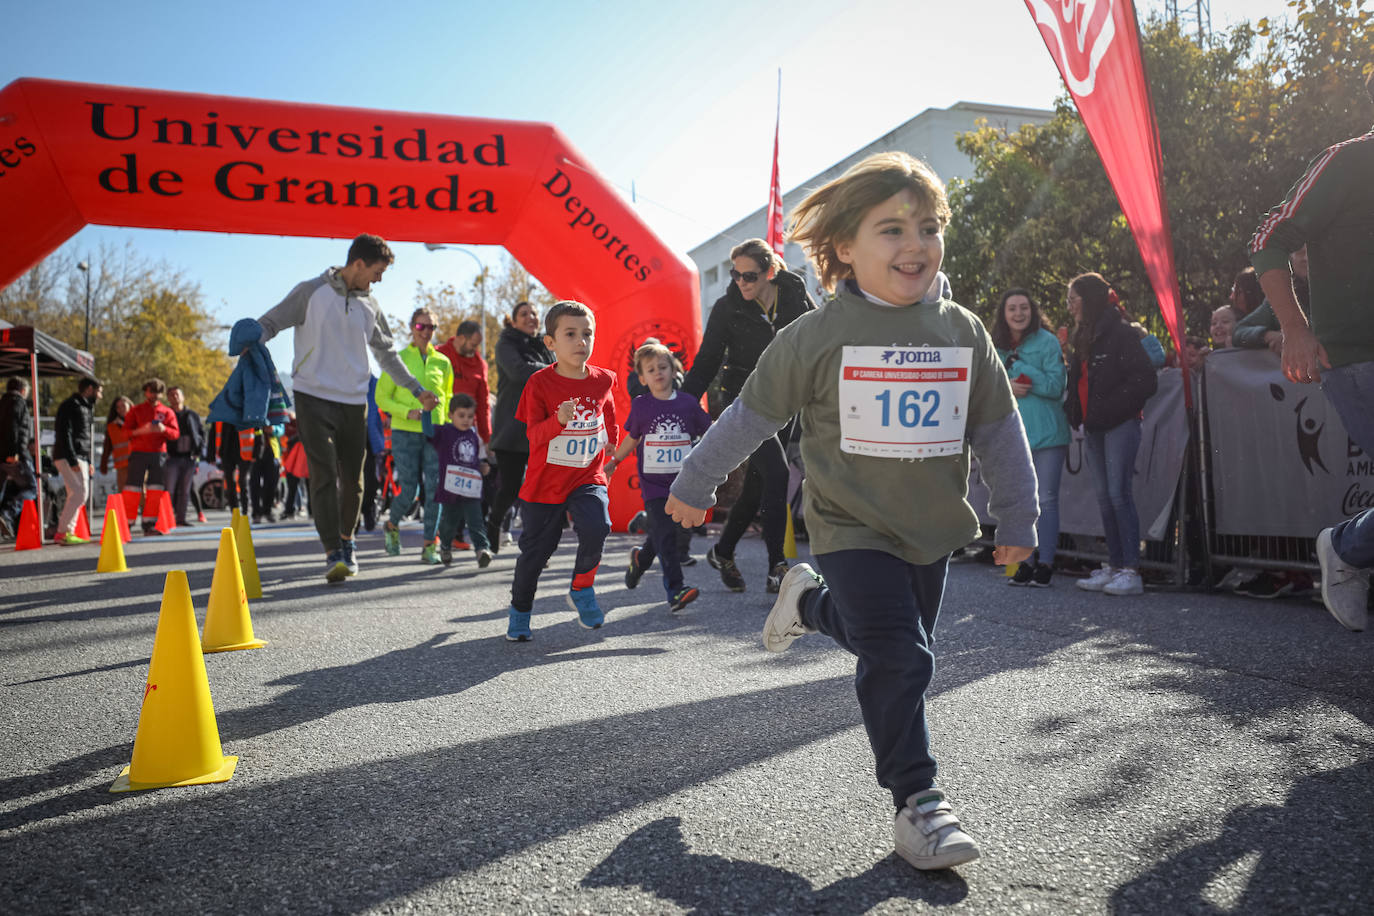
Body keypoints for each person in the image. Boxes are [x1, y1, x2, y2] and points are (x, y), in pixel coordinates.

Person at [667, 152, 1037, 871]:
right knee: (900, 655)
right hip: (848, 526)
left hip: (930, 531)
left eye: (927, 228)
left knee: (894, 651)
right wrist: (696, 480)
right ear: (844, 248)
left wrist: (1018, 522)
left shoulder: (963, 330)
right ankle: (919, 803)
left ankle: (807, 606)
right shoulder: (816, 334)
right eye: (891, 229)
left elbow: (999, 430)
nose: (915, 245)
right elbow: (751, 416)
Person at [1249, 72, 1374, 632]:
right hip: (1356, 356)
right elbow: (1267, 240)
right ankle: (1348, 549)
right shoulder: (1346, 162)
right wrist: (1295, 327)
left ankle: (1349, 549)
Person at [253, 233, 437, 583]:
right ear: (358, 264)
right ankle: (332, 551)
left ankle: (347, 541)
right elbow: (271, 322)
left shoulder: (372, 305)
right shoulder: (311, 292)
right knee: (322, 473)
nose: (379, 279)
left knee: (354, 480)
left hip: (354, 401)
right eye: (377, 271)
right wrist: (253, 338)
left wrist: (418, 390)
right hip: (311, 396)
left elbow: (387, 355)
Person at [681, 237, 816, 594]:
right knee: (776, 472)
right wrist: (679, 405)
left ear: (770, 272)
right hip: (743, 401)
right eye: (736, 274)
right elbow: (707, 361)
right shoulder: (727, 307)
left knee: (758, 486)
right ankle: (778, 568)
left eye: (750, 276)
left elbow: (820, 340)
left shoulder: (795, 296)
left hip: (784, 403)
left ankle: (722, 552)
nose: (742, 282)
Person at [504, 300, 618, 641]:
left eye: (587, 334)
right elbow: (534, 436)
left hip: (587, 475)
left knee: (599, 525)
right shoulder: (539, 384)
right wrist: (558, 421)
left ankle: (581, 589)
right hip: (545, 483)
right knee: (537, 553)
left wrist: (612, 440)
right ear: (550, 343)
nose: (581, 341)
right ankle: (520, 610)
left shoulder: (602, 380)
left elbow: (607, 413)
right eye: (570, 334)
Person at [1064, 274, 1158, 596]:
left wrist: (1109, 410)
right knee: (1105, 498)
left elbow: (1145, 381)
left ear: (1088, 299)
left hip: (1119, 425)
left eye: (1073, 298)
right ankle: (1116, 565)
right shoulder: (1083, 335)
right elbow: (1078, 381)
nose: (1069, 306)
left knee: (1119, 495)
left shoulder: (1121, 333)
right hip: (1095, 427)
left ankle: (1131, 570)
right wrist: (1075, 410)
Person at [606, 340, 711, 611]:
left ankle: (641, 559)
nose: (658, 373)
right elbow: (633, 437)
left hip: (683, 483)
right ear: (642, 378)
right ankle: (676, 591)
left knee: (668, 531)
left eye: (663, 367)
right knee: (665, 534)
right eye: (650, 370)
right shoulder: (642, 406)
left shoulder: (687, 404)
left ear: (673, 369)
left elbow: (710, 433)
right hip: (654, 484)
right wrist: (614, 461)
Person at [991, 289, 1070, 587]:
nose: (1019, 313)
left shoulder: (1048, 342)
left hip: (1048, 433)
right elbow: (985, 388)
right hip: (1012, 434)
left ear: (1033, 311)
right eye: (1012, 308)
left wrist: (1022, 370)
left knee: (1046, 500)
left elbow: (1054, 386)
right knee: (1019, 501)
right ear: (1004, 313)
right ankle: (1024, 563)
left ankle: (1046, 563)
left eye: (1024, 307)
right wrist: (1007, 387)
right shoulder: (993, 346)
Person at [377, 307, 453, 564]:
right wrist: (408, 412)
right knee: (409, 489)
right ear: (412, 328)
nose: (426, 332)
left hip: (435, 434)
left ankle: (430, 544)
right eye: (421, 327)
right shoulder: (397, 360)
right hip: (405, 433)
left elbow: (448, 398)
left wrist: (448, 428)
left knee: (435, 491)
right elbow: (381, 398)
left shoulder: (443, 362)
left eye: (431, 327)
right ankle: (392, 524)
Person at [486, 301, 555, 552]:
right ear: (513, 321)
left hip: (543, 429)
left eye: (534, 313)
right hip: (513, 430)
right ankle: (493, 525)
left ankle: (536, 544)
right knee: (511, 488)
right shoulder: (506, 344)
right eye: (524, 314)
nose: (531, 317)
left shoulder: (547, 346)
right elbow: (519, 372)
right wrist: (555, 371)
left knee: (540, 489)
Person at [437, 318, 495, 544]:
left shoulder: (480, 365)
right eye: (473, 343)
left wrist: (487, 437)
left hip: (469, 434)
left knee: (469, 479)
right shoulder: (441, 355)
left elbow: (483, 404)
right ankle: (444, 533)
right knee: (445, 480)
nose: (476, 349)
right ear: (460, 338)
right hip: (445, 429)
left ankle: (457, 534)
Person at [422, 392, 493, 567]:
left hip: (471, 490)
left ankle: (482, 550)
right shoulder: (445, 432)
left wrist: (483, 466)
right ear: (450, 415)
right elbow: (428, 431)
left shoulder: (474, 435)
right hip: (450, 490)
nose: (466, 420)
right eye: (461, 415)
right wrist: (426, 412)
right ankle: (445, 546)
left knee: (476, 521)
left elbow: (479, 459)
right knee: (449, 524)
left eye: (470, 416)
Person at [123, 378, 180, 536]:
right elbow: (125, 432)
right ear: (145, 392)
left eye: (158, 392)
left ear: (162, 394)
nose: (154, 394)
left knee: (155, 488)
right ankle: (127, 522)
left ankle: (149, 523)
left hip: (158, 454)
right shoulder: (136, 410)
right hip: (138, 452)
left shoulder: (167, 412)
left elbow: (175, 434)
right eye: (151, 391)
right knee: (132, 488)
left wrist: (164, 429)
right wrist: (140, 431)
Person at [50, 376, 101, 545]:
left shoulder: (84, 407)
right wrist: (73, 460)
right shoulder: (71, 406)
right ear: (89, 389)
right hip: (69, 456)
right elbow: (66, 434)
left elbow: (82, 436)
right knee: (79, 494)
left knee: (78, 494)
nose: (100, 396)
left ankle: (66, 532)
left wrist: (87, 460)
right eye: (98, 391)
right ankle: (63, 532)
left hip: (78, 456)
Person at [1232, 246, 1311, 353]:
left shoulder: (1337, 290)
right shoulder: (1280, 297)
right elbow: (1239, 331)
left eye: (1311, 252)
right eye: (1300, 253)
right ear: (1290, 258)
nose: (1306, 258)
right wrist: (1269, 336)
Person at [163, 385, 204, 528]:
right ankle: (168, 518)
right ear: (168, 398)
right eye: (171, 395)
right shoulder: (166, 414)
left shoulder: (192, 415)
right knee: (169, 490)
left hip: (189, 458)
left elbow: (200, 434)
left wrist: (198, 452)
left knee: (185, 491)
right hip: (171, 458)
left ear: (182, 397)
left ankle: (181, 518)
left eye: (177, 394)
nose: (175, 397)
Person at [0, 377, 36, 539]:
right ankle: (7, 514)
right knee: (31, 487)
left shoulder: (2, 403)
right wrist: (13, 451)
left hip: (1, 454)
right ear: (23, 390)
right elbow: (14, 427)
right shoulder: (18, 402)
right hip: (16, 454)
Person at [100, 396, 133, 494]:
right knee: (123, 491)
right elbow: (107, 446)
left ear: (129, 405)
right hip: (121, 465)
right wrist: (103, 463)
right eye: (118, 407)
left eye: (123, 405)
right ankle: (127, 510)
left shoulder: (137, 420)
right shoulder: (112, 426)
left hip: (137, 463)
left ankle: (144, 509)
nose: (121, 409)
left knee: (140, 492)